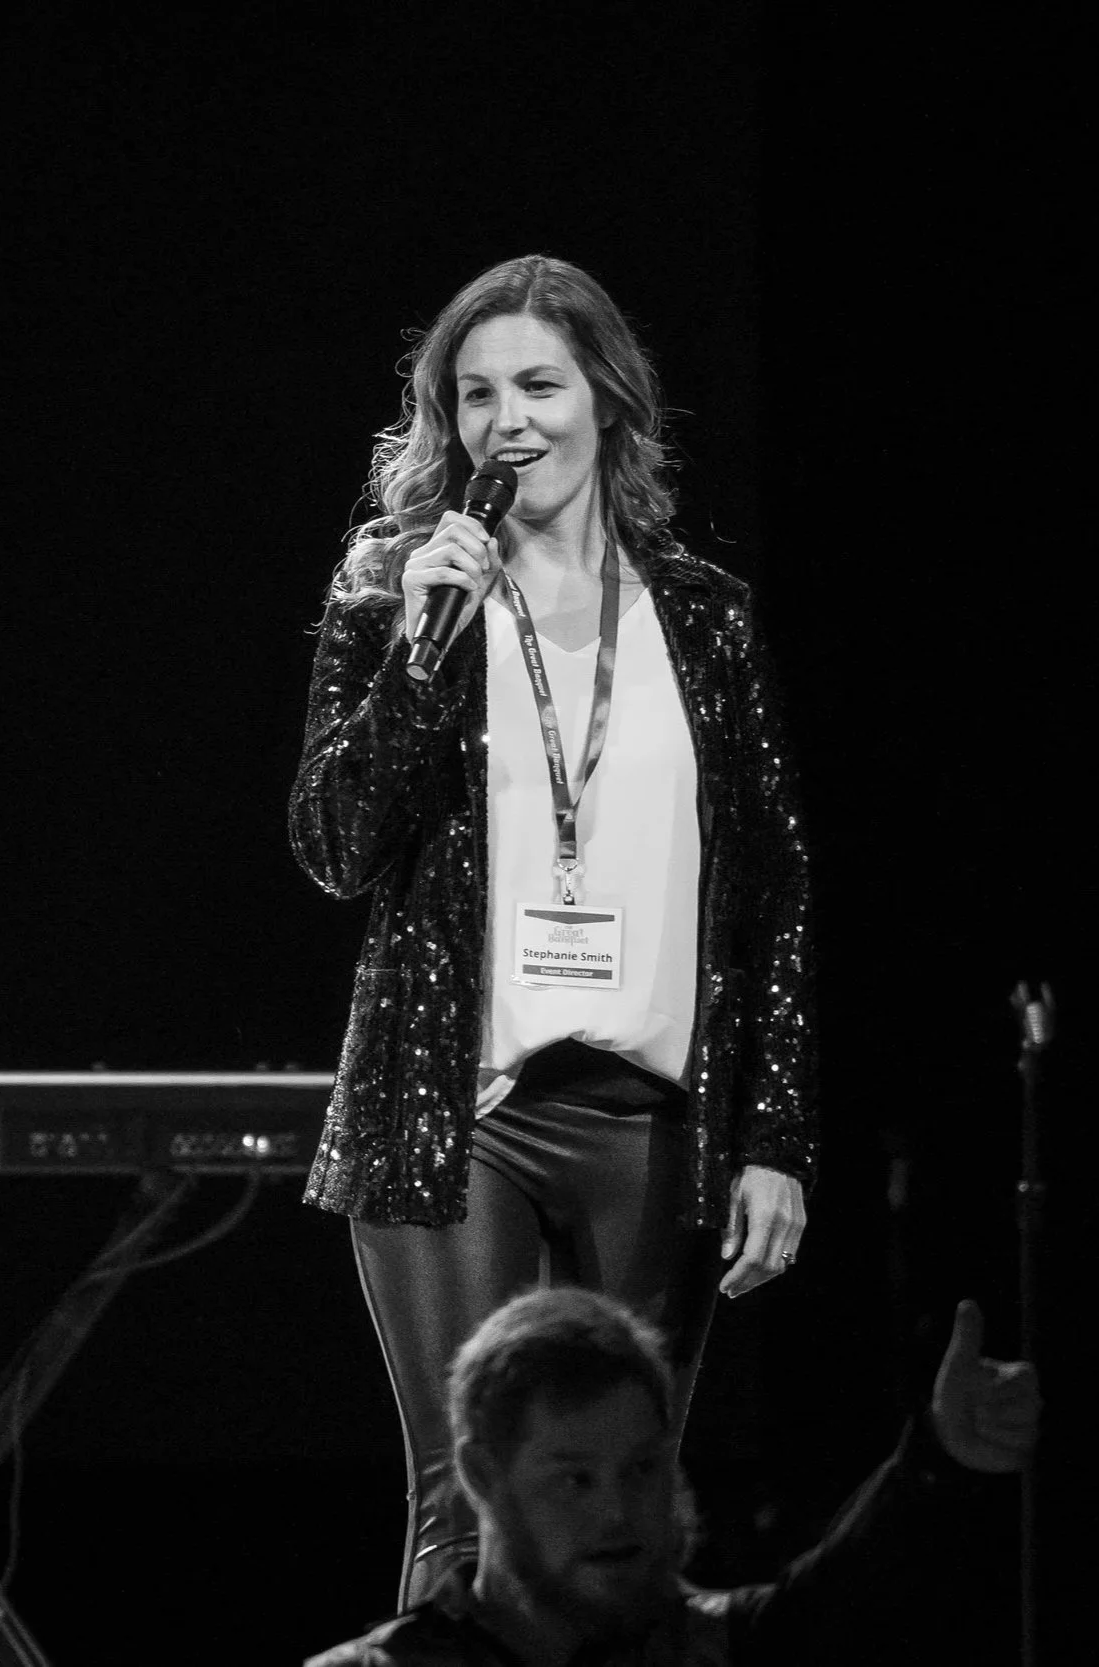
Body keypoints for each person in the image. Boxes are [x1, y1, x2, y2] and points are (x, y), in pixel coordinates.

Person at [289, 255, 817, 1607]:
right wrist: (419, 653)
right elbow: (335, 845)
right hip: (452, 1110)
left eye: (536, 383)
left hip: (650, 1118)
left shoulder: (700, 616)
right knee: (470, 1518)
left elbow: (769, 888)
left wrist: (773, 1136)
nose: (505, 419)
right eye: (473, 394)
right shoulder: (394, 590)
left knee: (615, 1521)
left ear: (605, 399)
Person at [304, 1286, 1043, 1666]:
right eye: (575, 1478)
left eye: (641, 1468)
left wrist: (945, 1455)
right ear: (480, 1475)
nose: (618, 1511)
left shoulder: (722, 1648)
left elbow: (842, 1595)